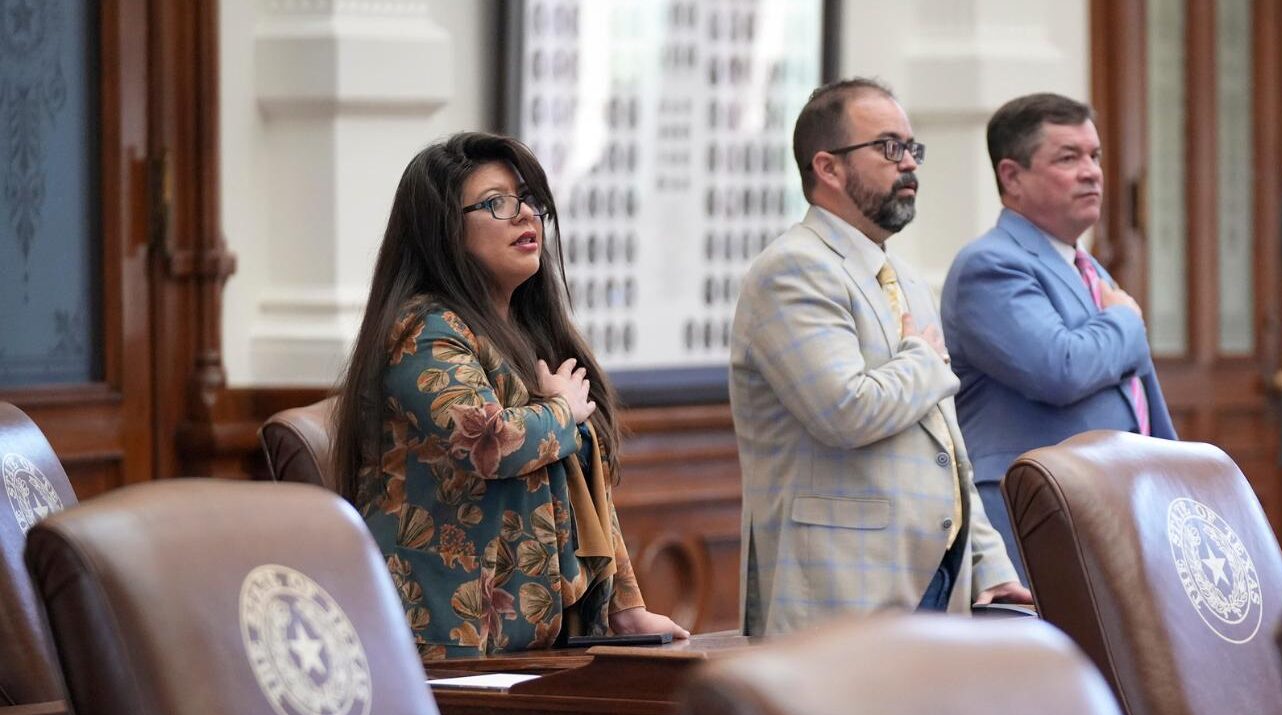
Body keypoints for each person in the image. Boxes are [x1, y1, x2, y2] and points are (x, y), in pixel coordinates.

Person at [331, 131, 687, 658]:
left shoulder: (528, 334)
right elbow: (488, 442)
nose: (526, 216)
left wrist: (624, 608)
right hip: (445, 644)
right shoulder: (425, 329)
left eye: (529, 200)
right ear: (444, 229)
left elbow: (579, 480)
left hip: (532, 642)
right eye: (497, 203)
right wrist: (561, 410)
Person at [730, 79, 1031, 636]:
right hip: (842, 595)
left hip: (939, 583)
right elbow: (846, 411)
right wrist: (924, 360)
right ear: (829, 167)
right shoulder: (793, 269)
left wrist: (987, 562)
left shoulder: (906, 280)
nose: (909, 164)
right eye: (889, 147)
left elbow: (949, 446)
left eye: (912, 148)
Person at [942, 92, 1176, 582]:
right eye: (1068, 158)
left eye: (1094, 156)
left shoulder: (1084, 265)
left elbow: (1134, 394)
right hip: (1039, 515)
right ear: (1012, 176)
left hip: (1117, 506)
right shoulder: (991, 265)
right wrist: (1126, 323)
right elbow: (1061, 367)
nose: (1091, 171)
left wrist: (1176, 477)